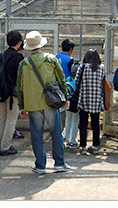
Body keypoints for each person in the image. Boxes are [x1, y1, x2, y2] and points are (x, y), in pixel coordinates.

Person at [18, 31, 70, 174]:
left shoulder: (23, 64)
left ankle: (40, 166)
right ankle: (59, 163)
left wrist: (22, 106)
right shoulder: (51, 60)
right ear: (41, 45)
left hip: (33, 105)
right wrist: (64, 98)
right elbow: (61, 79)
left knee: (36, 134)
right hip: (51, 103)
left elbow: (20, 87)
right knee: (56, 133)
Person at [0, 30, 23, 156]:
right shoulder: (18, 58)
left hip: (0, 92)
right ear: (19, 43)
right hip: (11, 93)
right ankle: (5, 146)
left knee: (1, 119)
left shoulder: (1, 55)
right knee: (11, 120)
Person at [75, 49, 105, 154]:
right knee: (95, 123)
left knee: (83, 123)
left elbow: (76, 82)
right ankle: (96, 144)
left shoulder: (82, 68)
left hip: (84, 99)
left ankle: (83, 145)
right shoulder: (101, 68)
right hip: (96, 100)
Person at [57, 39, 79, 149]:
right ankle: (67, 136)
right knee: (69, 112)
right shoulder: (70, 60)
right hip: (67, 89)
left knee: (58, 112)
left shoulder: (55, 57)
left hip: (55, 88)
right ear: (71, 49)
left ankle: (60, 134)